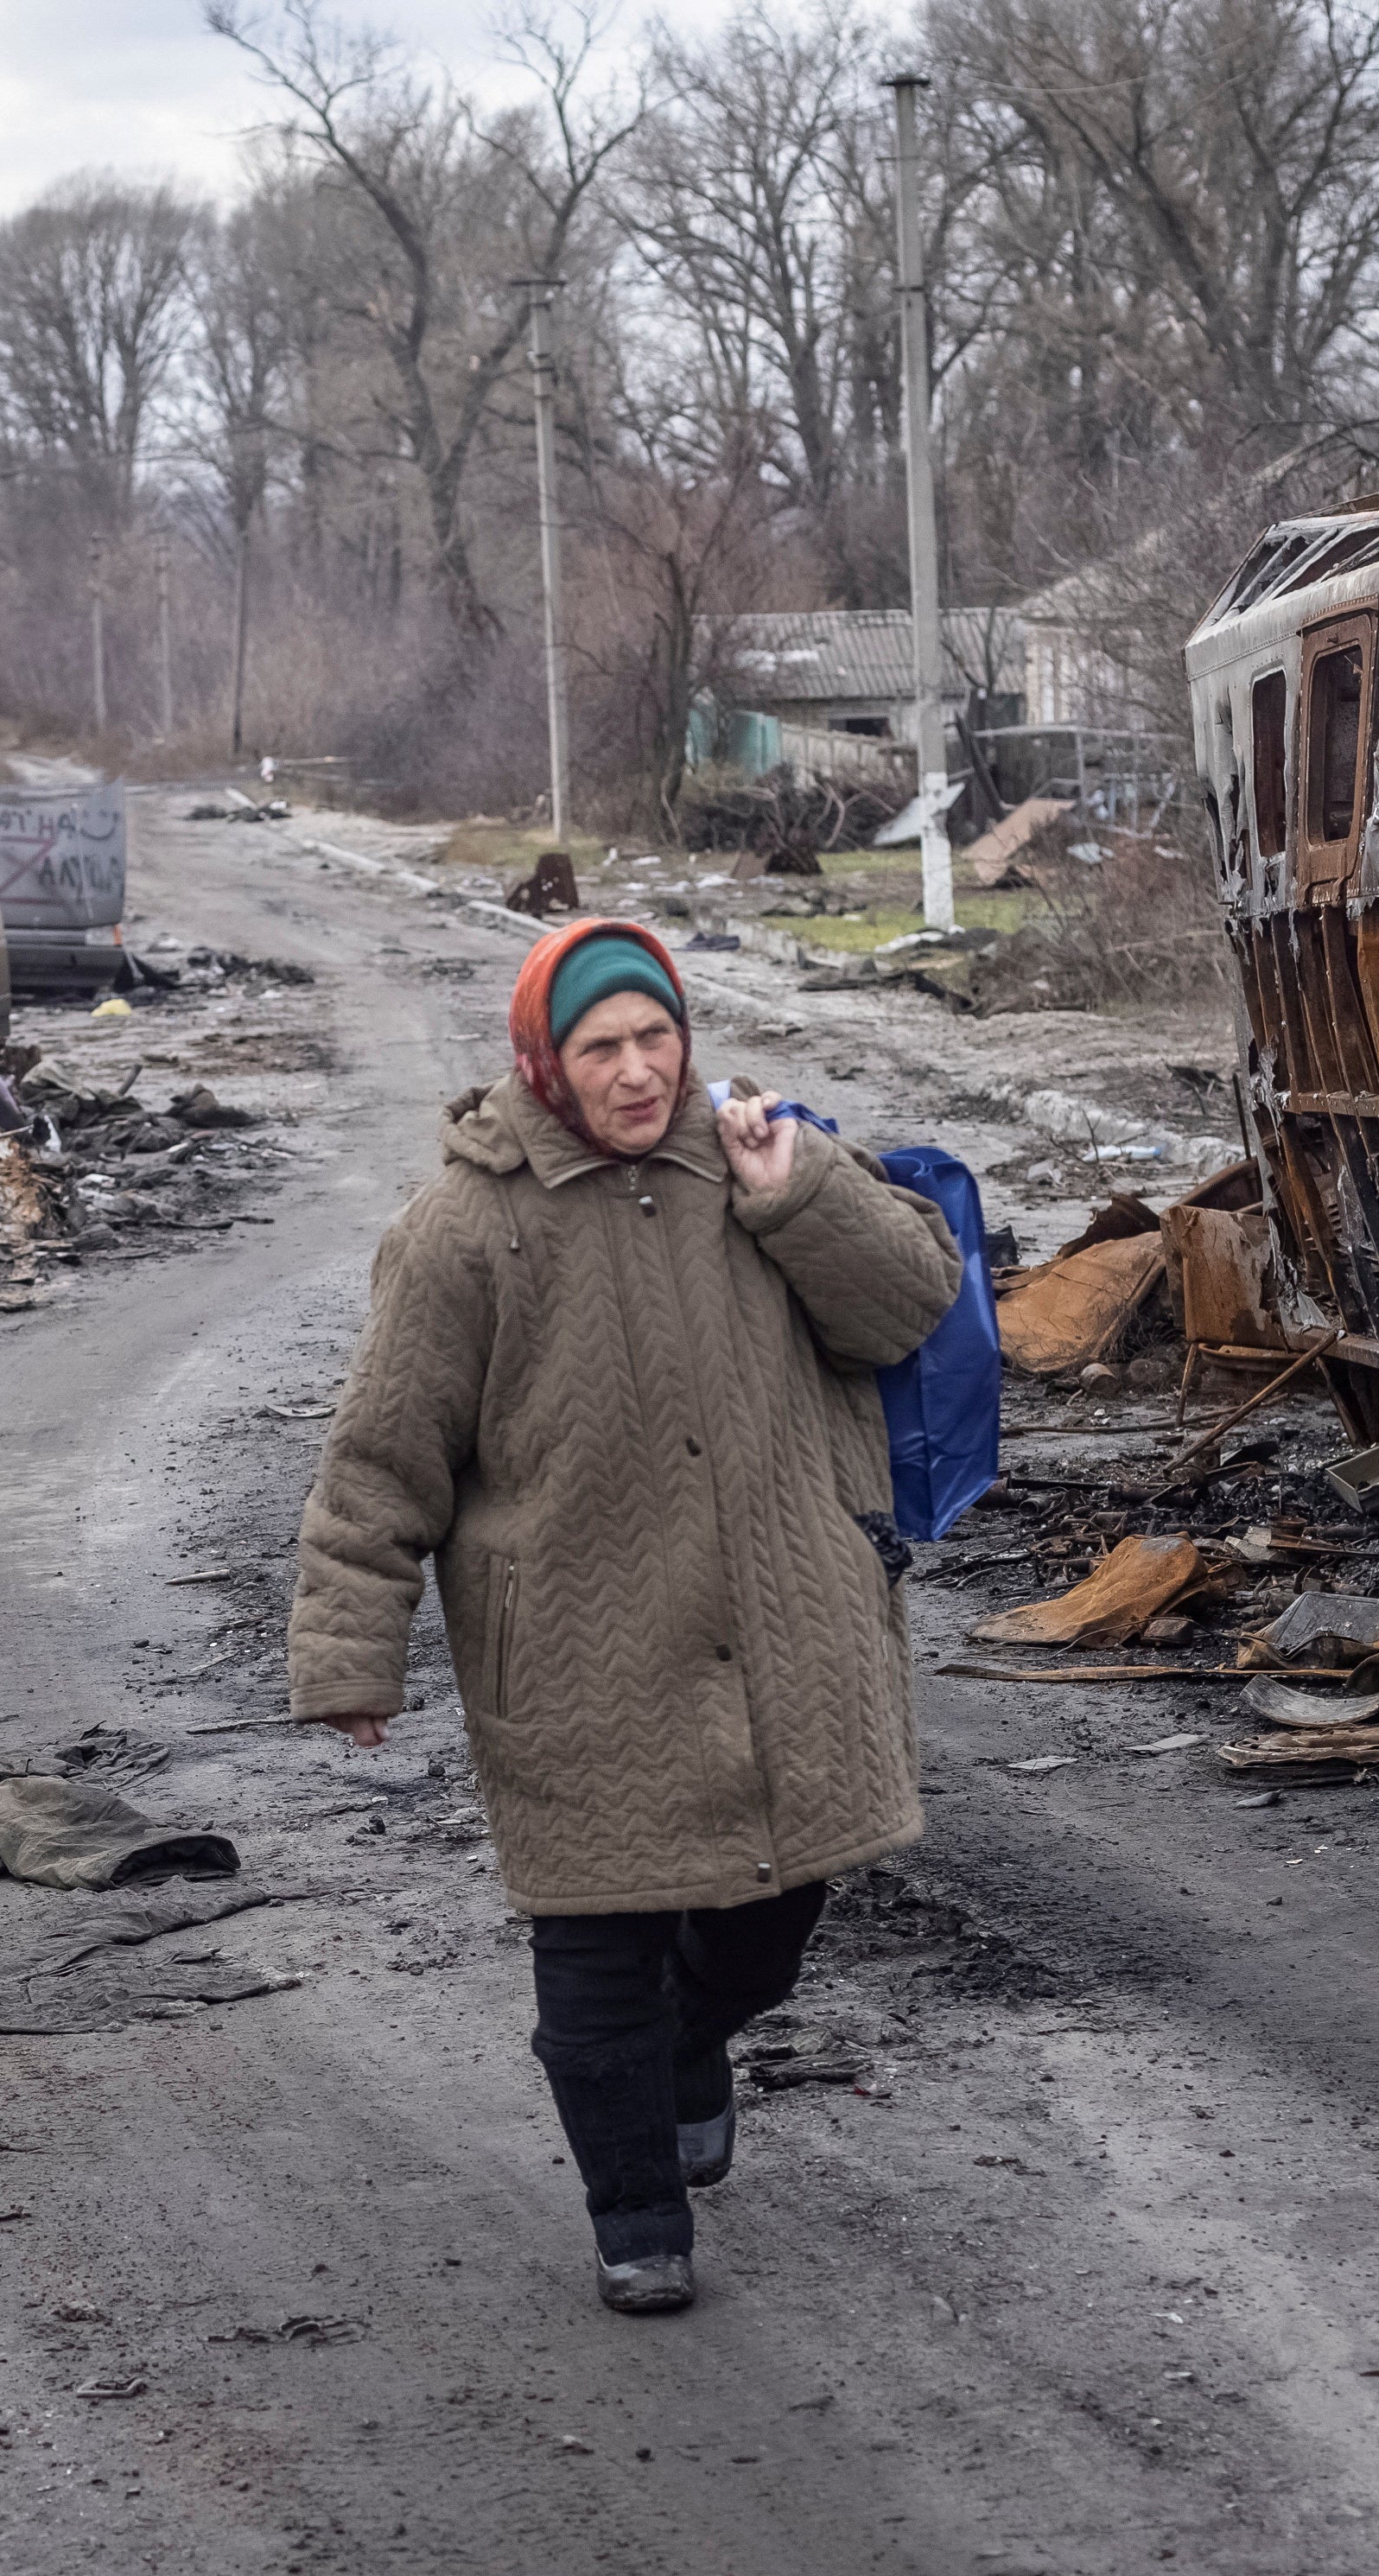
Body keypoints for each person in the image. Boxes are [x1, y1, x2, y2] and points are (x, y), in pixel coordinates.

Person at [286, 917, 963, 2314]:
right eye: (605, 1047)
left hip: (786, 1618)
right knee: (596, 1937)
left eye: (658, 1036)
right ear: (546, 1061)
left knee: (779, 1908)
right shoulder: (466, 1229)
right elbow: (382, 1454)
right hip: (581, 1641)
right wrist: (352, 1651)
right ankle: (636, 2214)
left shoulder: (755, 1160)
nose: (641, 1071)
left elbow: (909, 1309)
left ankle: (695, 2041)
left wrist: (801, 1194)